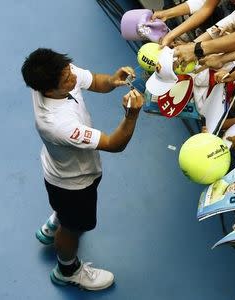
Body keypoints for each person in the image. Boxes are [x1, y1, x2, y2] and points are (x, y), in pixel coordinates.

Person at [21, 48, 144, 290]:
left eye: (70, 70)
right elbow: (113, 144)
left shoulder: (57, 71)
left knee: (65, 212)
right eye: (67, 79)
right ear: (49, 90)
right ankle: (67, 269)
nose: (73, 78)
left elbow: (95, 81)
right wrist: (131, 116)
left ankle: (59, 217)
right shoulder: (57, 124)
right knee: (74, 227)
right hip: (74, 182)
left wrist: (111, 80)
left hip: (58, 167)